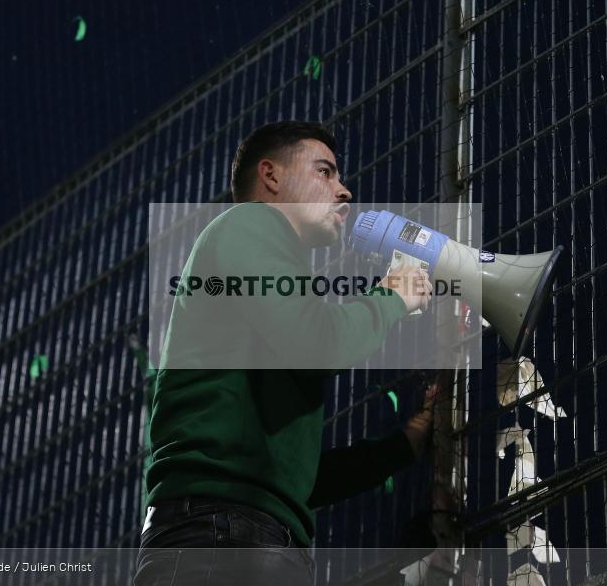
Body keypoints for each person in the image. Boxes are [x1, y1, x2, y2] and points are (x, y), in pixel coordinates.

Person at [134, 121, 437, 586]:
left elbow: (293, 479)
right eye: (325, 172)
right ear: (272, 177)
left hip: (231, 534)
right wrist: (392, 297)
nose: (344, 190)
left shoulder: (259, 294)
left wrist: (406, 443)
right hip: (224, 536)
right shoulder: (250, 222)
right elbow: (318, 343)